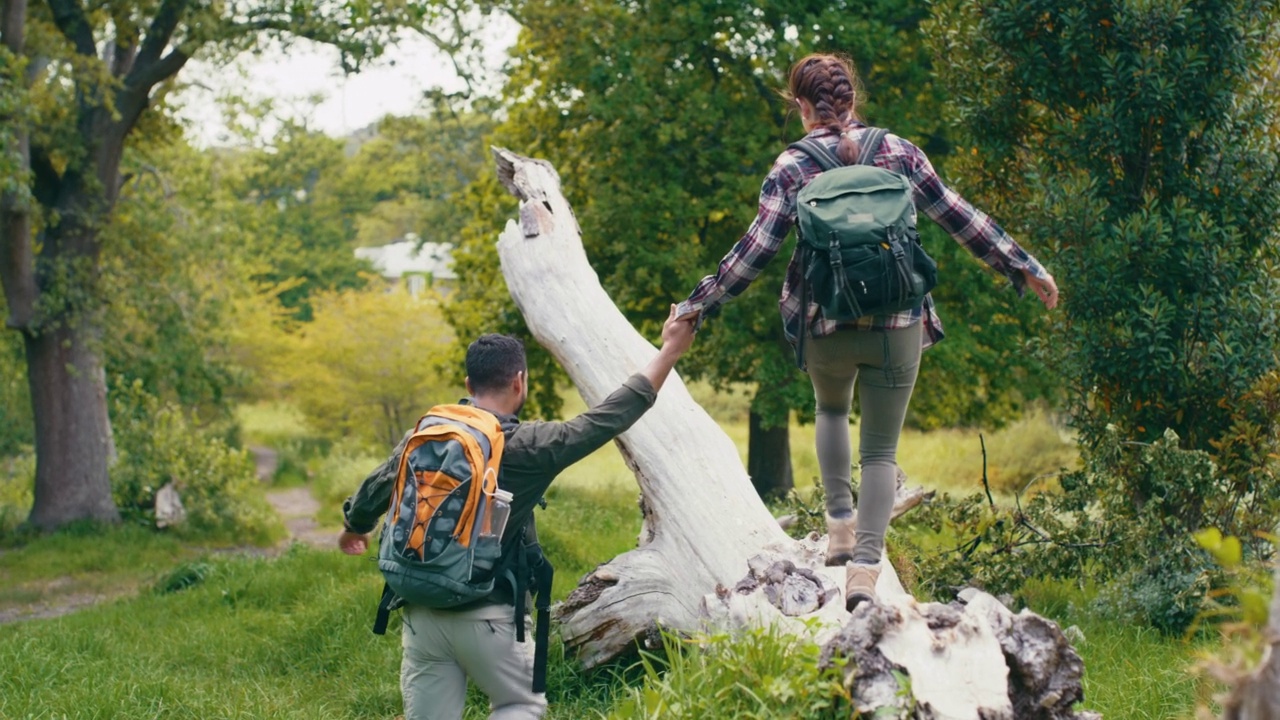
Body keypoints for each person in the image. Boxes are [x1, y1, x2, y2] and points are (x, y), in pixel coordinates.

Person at [678, 53, 1059, 610]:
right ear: (853, 98)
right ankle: (865, 567)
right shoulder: (899, 152)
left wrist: (697, 304)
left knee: (830, 412)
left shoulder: (791, 166)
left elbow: (753, 254)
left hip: (825, 325)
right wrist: (1021, 265)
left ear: (803, 108)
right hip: (897, 324)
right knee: (880, 452)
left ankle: (837, 524)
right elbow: (957, 216)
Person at [338, 305, 697, 720]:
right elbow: (606, 418)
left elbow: (379, 485)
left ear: (468, 383)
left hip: (420, 612)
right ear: (519, 382)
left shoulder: (427, 432)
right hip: (489, 615)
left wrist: (355, 527)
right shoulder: (530, 446)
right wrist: (669, 350)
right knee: (518, 706)